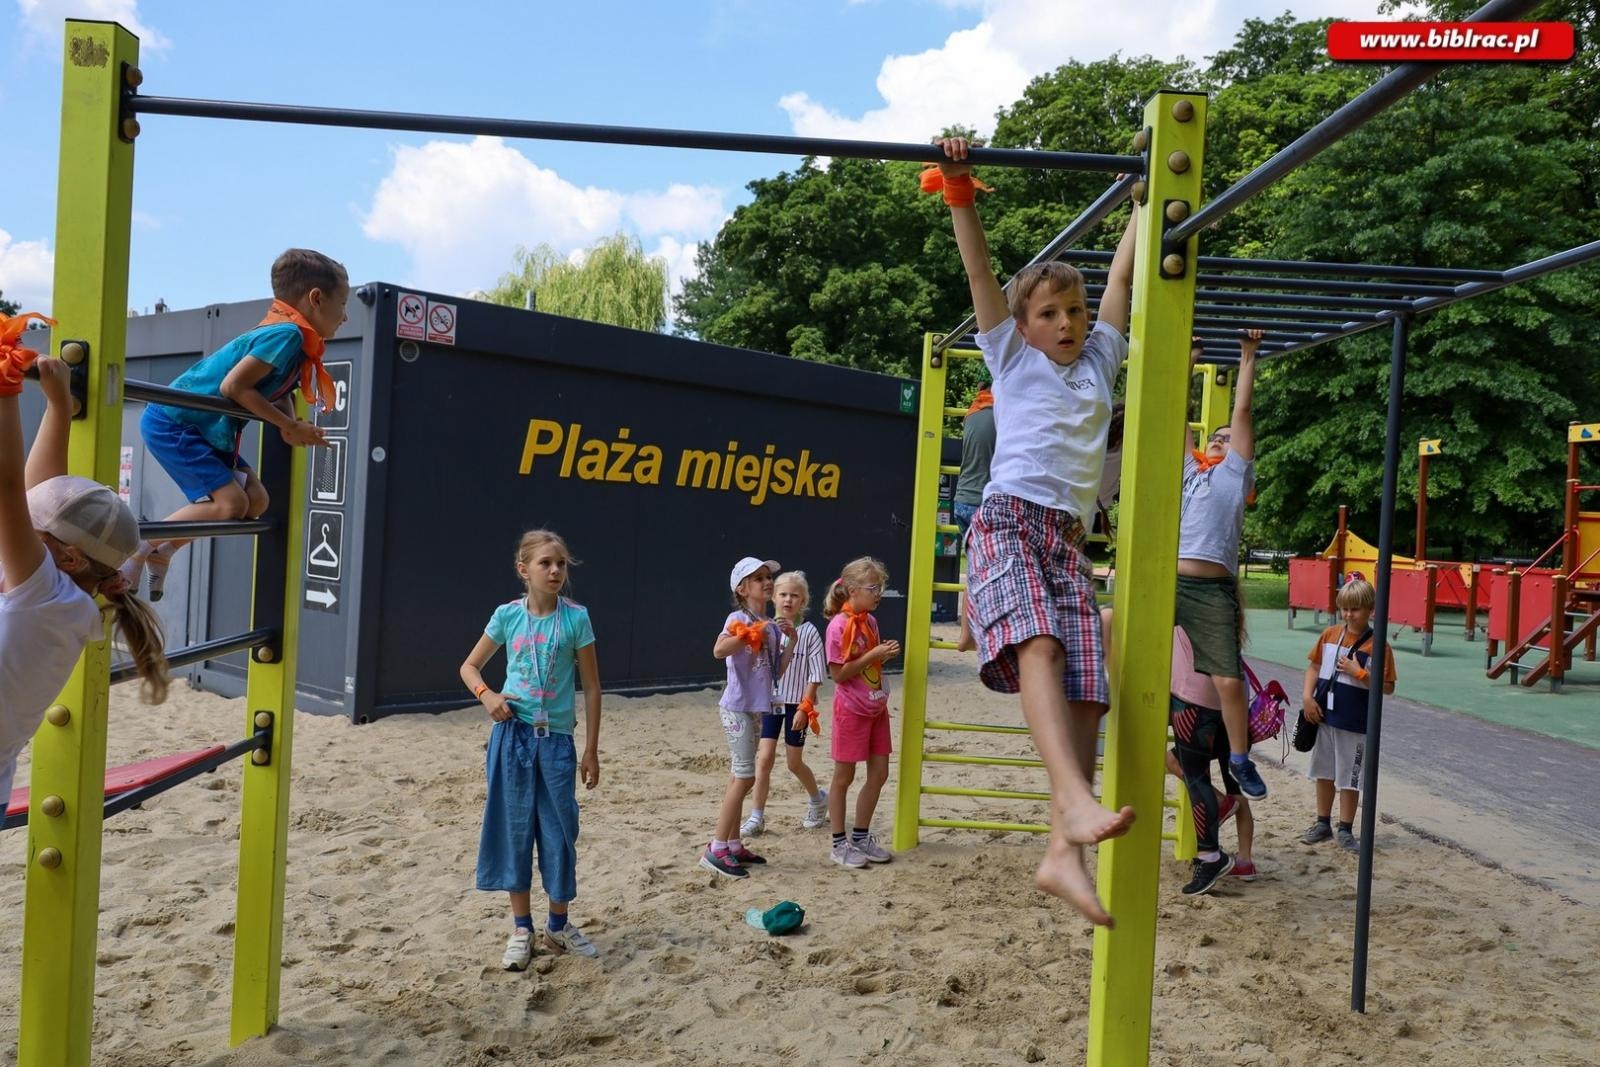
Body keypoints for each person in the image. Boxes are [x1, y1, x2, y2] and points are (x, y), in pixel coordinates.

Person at [934, 136, 1138, 926]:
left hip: (1066, 538)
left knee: (1090, 690)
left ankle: (1064, 853)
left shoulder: (1101, 361)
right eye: (1049, 313)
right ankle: (1075, 801)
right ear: (1022, 326)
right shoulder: (1012, 362)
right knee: (1042, 647)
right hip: (1009, 521)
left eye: (1074, 311)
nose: (1066, 323)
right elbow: (981, 272)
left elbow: (1122, 275)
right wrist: (959, 187)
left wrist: (1141, 204)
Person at [1, 324, 170, 806]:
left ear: (68, 554)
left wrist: (9, 390)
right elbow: (36, 489)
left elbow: (10, 487)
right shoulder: (68, 591)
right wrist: (59, 407)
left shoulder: (40, 595)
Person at [121, 249, 348, 601]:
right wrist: (287, 427)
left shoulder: (293, 338)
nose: (345, 316)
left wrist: (289, 423)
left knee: (255, 502)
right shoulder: (286, 334)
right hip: (177, 422)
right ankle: (140, 546)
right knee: (230, 505)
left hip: (210, 431)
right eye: (342, 303)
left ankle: (164, 551)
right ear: (316, 298)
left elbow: (270, 390)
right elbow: (234, 387)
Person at [459, 529, 602, 967]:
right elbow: (469, 666)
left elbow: (593, 688)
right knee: (514, 829)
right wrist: (487, 696)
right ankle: (522, 930)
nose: (556, 570)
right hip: (512, 738)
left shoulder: (576, 618)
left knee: (560, 831)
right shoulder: (507, 615)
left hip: (556, 742)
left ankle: (557, 926)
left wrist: (591, 750)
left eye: (561, 563)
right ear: (525, 570)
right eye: (546, 563)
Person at [1176, 330, 1267, 800]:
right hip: (1167, 581)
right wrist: (1188, 360)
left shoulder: (1233, 478)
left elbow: (1243, 413)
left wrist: (1247, 357)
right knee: (1114, 626)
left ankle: (1238, 757)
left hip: (1211, 591)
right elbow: (1178, 413)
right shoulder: (1191, 473)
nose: (1222, 441)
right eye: (1216, 438)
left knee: (1228, 679)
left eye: (1230, 441)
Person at [703, 556, 795, 878]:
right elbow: (718, 650)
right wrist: (747, 633)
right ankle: (715, 848)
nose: (768, 582)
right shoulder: (737, 617)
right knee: (744, 777)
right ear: (742, 589)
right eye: (759, 578)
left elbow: (775, 672)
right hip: (737, 707)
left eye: (768, 577)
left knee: (740, 776)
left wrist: (789, 643)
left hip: (755, 708)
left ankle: (733, 843)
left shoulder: (768, 625)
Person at [1299, 577, 1395, 853]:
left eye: (1355, 609)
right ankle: (1322, 822)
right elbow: (1314, 668)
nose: (1349, 615)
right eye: (1345, 609)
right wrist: (1307, 697)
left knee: (1349, 776)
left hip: (1354, 722)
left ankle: (1345, 827)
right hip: (1324, 717)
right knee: (1324, 771)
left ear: (1369, 610)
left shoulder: (1377, 646)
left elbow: (1387, 687)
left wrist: (1360, 673)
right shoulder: (1329, 635)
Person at [822, 556, 899, 869]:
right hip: (851, 711)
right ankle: (839, 844)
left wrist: (882, 656)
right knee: (844, 777)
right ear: (852, 590)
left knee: (880, 773)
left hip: (875, 706)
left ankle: (861, 837)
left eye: (880, 587)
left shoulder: (870, 621)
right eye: (872, 587)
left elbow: (869, 666)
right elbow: (839, 675)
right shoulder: (838, 626)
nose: (878, 593)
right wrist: (874, 654)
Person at [742, 570, 829, 837]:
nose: (788, 600)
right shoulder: (766, 628)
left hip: (796, 705)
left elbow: (816, 674)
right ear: (773, 597)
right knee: (764, 758)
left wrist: (805, 707)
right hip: (771, 703)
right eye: (783, 594)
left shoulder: (809, 632)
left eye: (794, 595)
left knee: (794, 763)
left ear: (803, 601)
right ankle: (757, 816)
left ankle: (817, 799)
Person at [1167, 626, 1250, 895]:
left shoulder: (1199, 601)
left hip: (1202, 701)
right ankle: (1242, 859)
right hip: (1222, 710)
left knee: (1200, 778)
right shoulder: (1221, 606)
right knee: (1229, 787)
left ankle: (1215, 856)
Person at [954, 382, 994, 652]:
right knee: (993, 570)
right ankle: (976, 632)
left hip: (963, 500)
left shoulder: (973, 412)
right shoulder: (1003, 413)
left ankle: (969, 632)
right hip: (985, 501)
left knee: (976, 570)